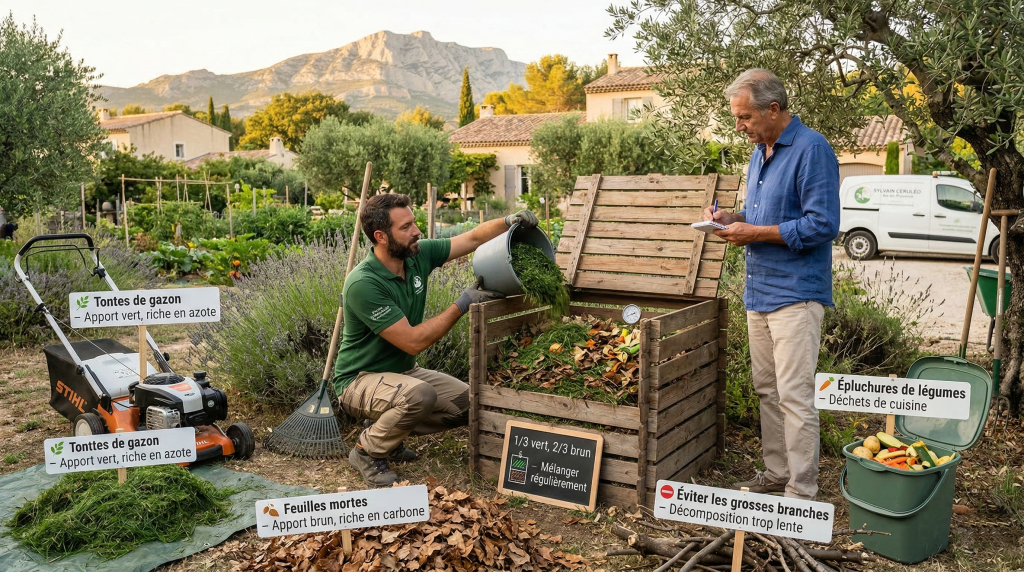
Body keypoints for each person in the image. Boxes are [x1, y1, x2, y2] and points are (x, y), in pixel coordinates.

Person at [335, 193, 539, 486]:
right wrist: (463, 303)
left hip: (401, 374)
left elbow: (470, 240)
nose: (416, 231)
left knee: (469, 404)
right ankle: (367, 450)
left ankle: (387, 432)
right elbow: (413, 342)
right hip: (358, 380)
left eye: (414, 223)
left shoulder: (417, 255)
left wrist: (509, 222)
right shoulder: (364, 283)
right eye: (405, 227)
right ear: (380, 236)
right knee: (420, 395)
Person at [703, 69, 839, 500]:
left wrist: (753, 234)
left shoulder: (812, 149)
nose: (738, 126)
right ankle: (777, 473)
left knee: (795, 396)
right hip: (759, 292)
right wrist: (733, 219)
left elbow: (823, 224)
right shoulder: (759, 152)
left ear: (773, 109)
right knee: (767, 390)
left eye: (744, 117)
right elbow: (765, 216)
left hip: (796, 295)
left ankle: (802, 493)